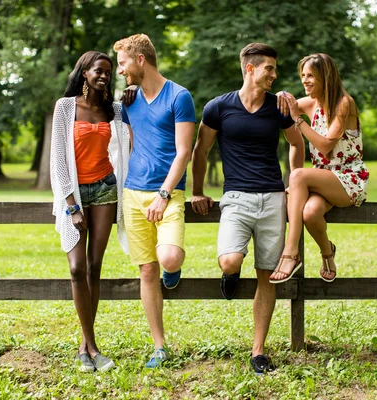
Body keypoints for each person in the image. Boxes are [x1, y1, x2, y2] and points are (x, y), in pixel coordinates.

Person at [190, 43, 305, 375]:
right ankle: (230, 273)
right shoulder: (218, 107)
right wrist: (197, 191)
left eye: (274, 69)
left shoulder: (278, 107)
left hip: (272, 198)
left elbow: (296, 144)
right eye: (268, 68)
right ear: (249, 69)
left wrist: (293, 181)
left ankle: (258, 351)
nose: (274, 74)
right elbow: (201, 149)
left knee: (268, 275)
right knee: (230, 259)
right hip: (235, 198)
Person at [113, 34, 196, 368]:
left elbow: (184, 152)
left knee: (170, 259)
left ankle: (172, 272)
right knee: (147, 271)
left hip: (168, 193)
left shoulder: (179, 96)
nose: (120, 71)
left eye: (122, 63)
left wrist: (163, 194)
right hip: (133, 193)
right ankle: (159, 345)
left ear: (140, 60)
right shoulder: (128, 100)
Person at [50, 50, 135, 373]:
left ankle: (86, 348)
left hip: (104, 190)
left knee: (94, 267)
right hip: (74, 194)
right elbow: (59, 161)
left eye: (109, 72)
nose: (104, 76)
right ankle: (91, 346)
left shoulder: (113, 110)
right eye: (98, 70)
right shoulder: (65, 108)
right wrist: (72, 206)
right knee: (76, 268)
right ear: (84, 72)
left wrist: (133, 97)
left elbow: (129, 141)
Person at [270, 53, 369, 284]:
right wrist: (282, 96)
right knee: (310, 214)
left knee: (298, 175)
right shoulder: (310, 103)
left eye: (311, 75)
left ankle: (291, 252)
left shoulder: (344, 103)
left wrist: (298, 119)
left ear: (326, 76)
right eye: (302, 75)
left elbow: (325, 146)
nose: (305, 80)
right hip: (323, 180)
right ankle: (327, 252)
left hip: (348, 179)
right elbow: (285, 103)